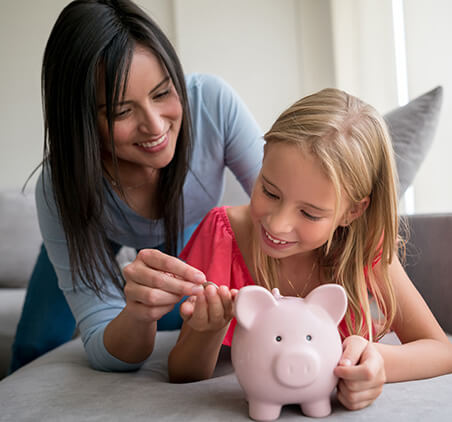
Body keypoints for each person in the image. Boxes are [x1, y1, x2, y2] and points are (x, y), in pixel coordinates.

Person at [9, 0, 263, 373]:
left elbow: (279, 199)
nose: (156, 127)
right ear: (82, 120)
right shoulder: (60, 186)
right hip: (94, 230)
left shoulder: (212, 104)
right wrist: (137, 316)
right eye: (121, 111)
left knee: (181, 316)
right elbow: (103, 342)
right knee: (37, 342)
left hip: (187, 223)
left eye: (162, 93)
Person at [168, 88, 452, 410]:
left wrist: (375, 361)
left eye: (309, 213)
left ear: (353, 212)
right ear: (262, 162)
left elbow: (440, 350)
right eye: (270, 192)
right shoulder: (223, 234)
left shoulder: (363, 246)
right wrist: (208, 330)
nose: (277, 225)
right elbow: (182, 373)